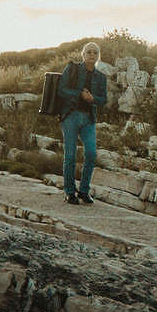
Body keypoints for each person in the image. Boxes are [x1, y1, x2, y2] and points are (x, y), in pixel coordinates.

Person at [59, 41, 108, 205]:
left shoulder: (101, 77)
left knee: (92, 153)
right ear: (83, 54)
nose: (92, 55)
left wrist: (93, 99)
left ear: (98, 56)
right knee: (70, 155)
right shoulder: (72, 68)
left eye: (95, 52)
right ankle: (69, 192)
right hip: (70, 116)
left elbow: (104, 100)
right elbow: (61, 89)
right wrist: (79, 94)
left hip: (89, 119)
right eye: (89, 52)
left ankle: (84, 191)